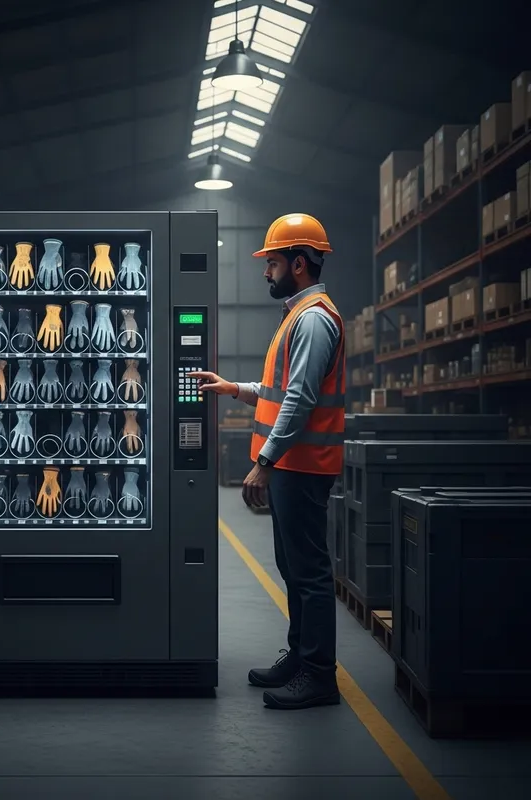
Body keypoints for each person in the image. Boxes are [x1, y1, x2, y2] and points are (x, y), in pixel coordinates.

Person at [189, 213, 345, 711]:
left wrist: (264, 461)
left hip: (301, 466)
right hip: (291, 466)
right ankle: (301, 657)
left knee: (309, 571)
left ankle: (319, 675)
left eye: (272, 263)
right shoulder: (298, 316)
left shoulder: (315, 320)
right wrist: (232, 388)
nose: (265, 272)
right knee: (292, 567)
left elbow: (299, 400)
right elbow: (280, 392)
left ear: (299, 264)